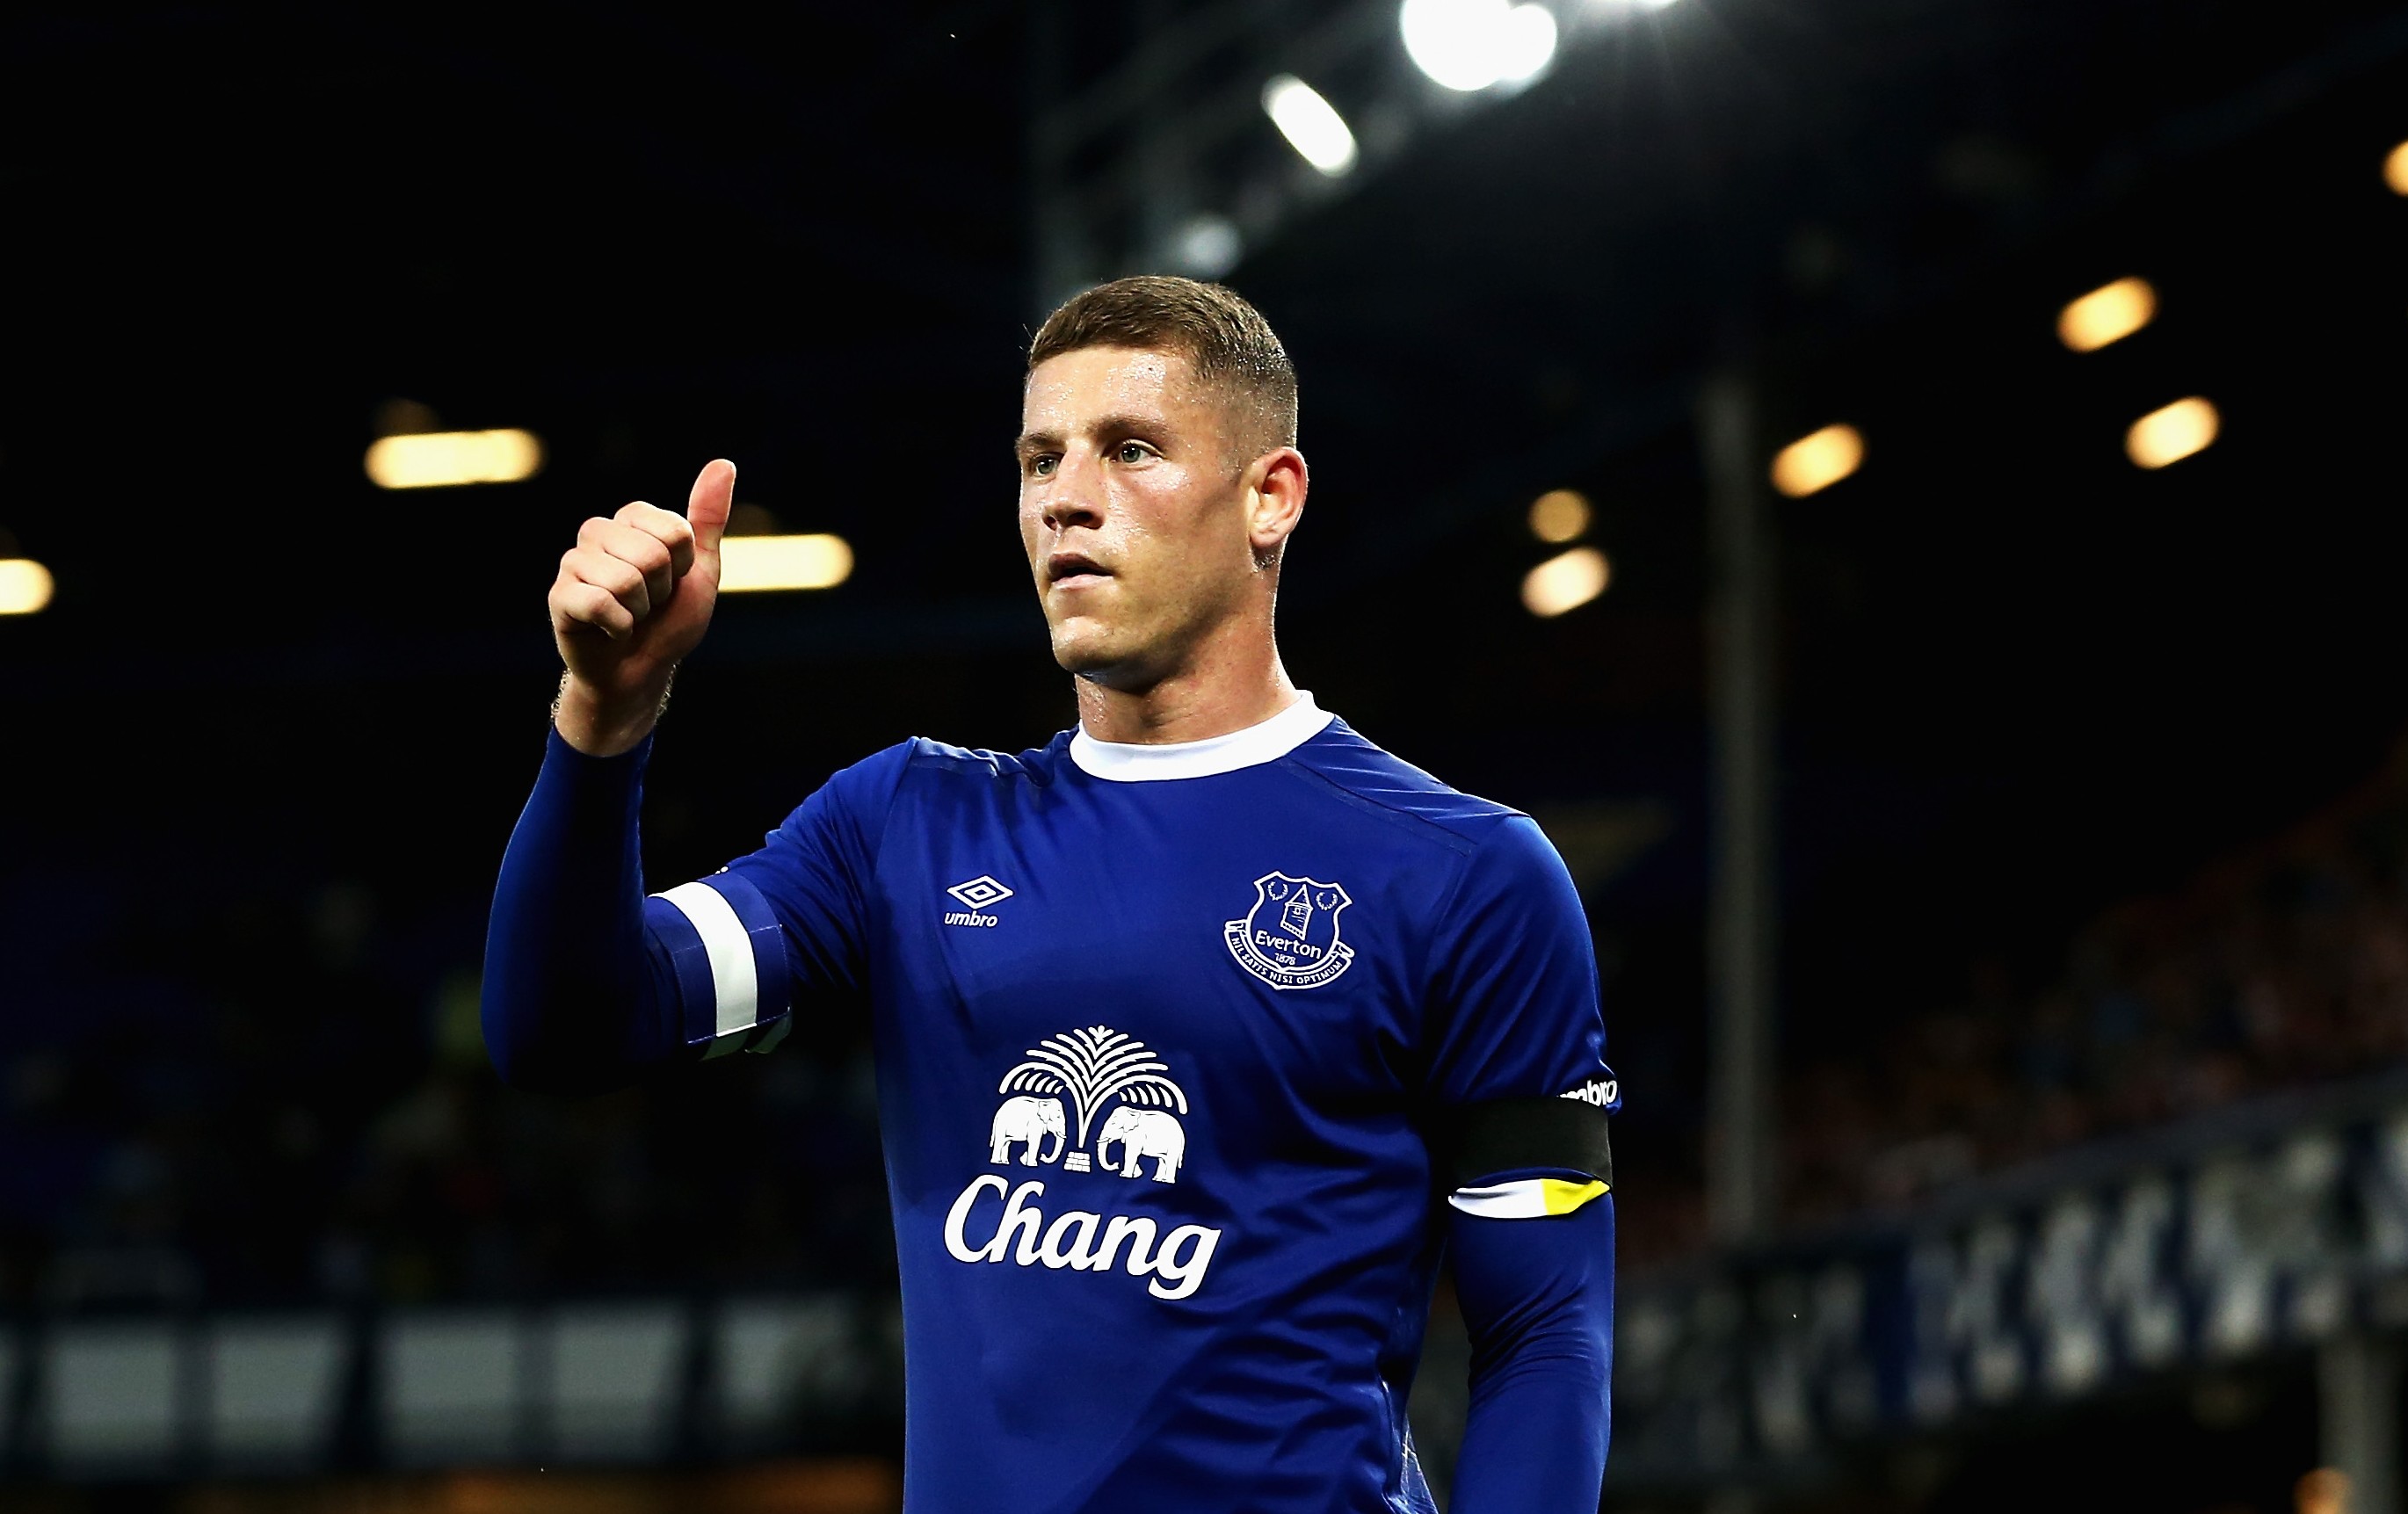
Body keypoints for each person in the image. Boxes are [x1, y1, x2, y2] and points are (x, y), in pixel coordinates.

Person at [482, 276, 1616, 1511]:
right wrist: (605, 719)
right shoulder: (902, 826)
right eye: (1038, 459)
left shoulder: (1465, 874)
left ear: (1268, 497)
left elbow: (1544, 1337)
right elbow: (565, 1030)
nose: (1066, 495)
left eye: (1130, 450)